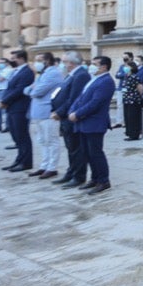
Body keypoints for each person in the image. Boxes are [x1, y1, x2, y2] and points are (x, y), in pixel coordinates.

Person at [68, 55, 115, 195]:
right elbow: (80, 98)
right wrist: (72, 110)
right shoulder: (94, 79)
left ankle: (103, 180)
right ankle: (94, 178)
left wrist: (78, 114)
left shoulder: (106, 81)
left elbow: (95, 103)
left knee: (96, 153)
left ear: (104, 67)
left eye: (95, 64)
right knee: (87, 153)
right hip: (84, 122)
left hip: (94, 122)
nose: (91, 66)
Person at [50, 52, 90, 186]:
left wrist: (60, 112)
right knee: (70, 147)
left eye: (64, 61)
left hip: (71, 117)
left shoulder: (81, 75)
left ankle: (78, 176)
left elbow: (73, 99)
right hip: (65, 117)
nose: (63, 64)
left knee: (76, 148)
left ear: (71, 63)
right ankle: (70, 172)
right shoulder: (71, 75)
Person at [27, 51, 64, 178]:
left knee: (51, 140)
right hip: (38, 112)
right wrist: (32, 89)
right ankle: (44, 165)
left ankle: (52, 167)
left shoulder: (53, 73)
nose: (36, 63)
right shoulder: (42, 74)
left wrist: (32, 89)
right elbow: (27, 90)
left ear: (47, 61)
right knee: (42, 141)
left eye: (38, 60)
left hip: (48, 111)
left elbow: (36, 91)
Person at [0, 49, 35, 171]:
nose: (12, 60)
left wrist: (5, 100)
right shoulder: (16, 71)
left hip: (20, 107)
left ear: (21, 59)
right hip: (12, 107)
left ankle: (26, 162)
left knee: (22, 135)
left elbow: (19, 90)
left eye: (14, 58)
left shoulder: (27, 72)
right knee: (16, 135)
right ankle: (19, 159)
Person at [120, 58, 143, 141]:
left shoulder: (134, 77)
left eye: (127, 66)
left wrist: (140, 97)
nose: (125, 68)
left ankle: (134, 134)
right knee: (127, 117)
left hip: (133, 100)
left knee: (133, 117)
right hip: (126, 99)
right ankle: (129, 133)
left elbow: (140, 88)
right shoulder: (126, 76)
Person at [113, 51, 133, 129]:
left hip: (128, 88)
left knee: (127, 105)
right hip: (121, 88)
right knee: (119, 105)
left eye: (126, 57)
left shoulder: (133, 65)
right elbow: (117, 75)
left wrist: (122, 74)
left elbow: (129, 75)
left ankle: (126, 121)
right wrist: (124, 74)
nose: (124, 59)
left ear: (130, 58)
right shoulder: (122, 66)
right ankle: (119, 121)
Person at [0, 56, 13, 133]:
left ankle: (7, 125)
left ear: (7, 63)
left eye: (2, 63)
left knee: (3, 109)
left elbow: (0, 79)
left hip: (4, 89)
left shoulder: (8, 70)